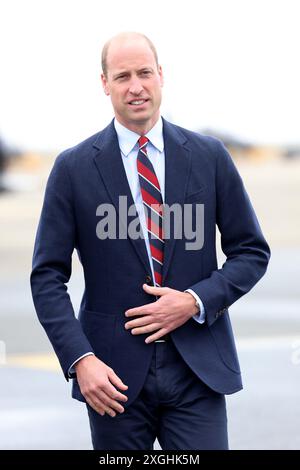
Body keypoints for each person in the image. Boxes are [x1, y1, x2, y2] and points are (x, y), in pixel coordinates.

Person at [30, 32, 270, 450]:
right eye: (122, 76)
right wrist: (80, 361)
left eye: (144, 73)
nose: (135, 86)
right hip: (112, 378)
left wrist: (194, 300)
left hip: (199, 368)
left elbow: (251, 252)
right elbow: (46, 277)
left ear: (161, 75)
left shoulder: (209, 156)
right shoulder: (72, 169)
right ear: (104, 83)